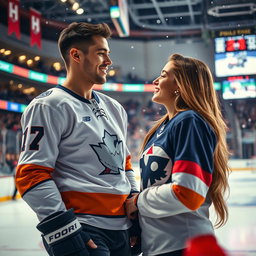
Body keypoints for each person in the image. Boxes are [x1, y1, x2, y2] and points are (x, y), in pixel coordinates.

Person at [15, 22, 139, 256]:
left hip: (122, 230)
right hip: (84, 227)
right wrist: (64, 228)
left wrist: (134, 203)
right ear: (76, 55)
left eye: (108, 54)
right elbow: (30, 173)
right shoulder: (48, 106)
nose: (109, 61)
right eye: (101, 53)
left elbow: (125, 164)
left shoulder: (115, 108)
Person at [125, 53, 231, 256]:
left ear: (180, 85)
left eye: (163, 75)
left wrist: (139, 201)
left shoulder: (189, 121)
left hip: (183, 246)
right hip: (159, 247)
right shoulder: (160, 128)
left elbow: (188, 194)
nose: (155, 80)